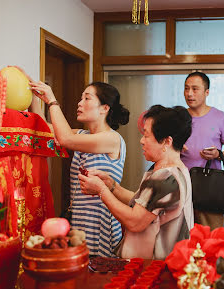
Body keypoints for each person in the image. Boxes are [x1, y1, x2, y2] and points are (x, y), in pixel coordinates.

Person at [29, 79, 129, 257]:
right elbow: (47, 130)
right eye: (81, 98)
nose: (80, 103)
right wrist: (36, 97)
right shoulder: (82, 134)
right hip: (80, 223)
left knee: (100, 279)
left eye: (87, 98)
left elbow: (66, 139)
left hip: (100, 225)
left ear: (104, 108)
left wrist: (52, 101)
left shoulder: (112, 139)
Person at [79, 105, 194, 260]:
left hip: (153, 267)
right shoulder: (176, 170)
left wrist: (101, 191)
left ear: (167, 141)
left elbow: (134, 221)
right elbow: (145, 204)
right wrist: (112, 186)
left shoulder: (165, 177)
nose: (141, 141)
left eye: (146, 135)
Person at [181, 71, 224, 230]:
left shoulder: (220, 118)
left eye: (195, 89)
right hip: (180, 187)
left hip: (210, 190)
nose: (189, 93)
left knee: (211, 239)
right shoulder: (178, 117)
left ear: (207, 92)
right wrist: (175, 148)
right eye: (186, 89)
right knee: (181, 241)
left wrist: (218, 154)